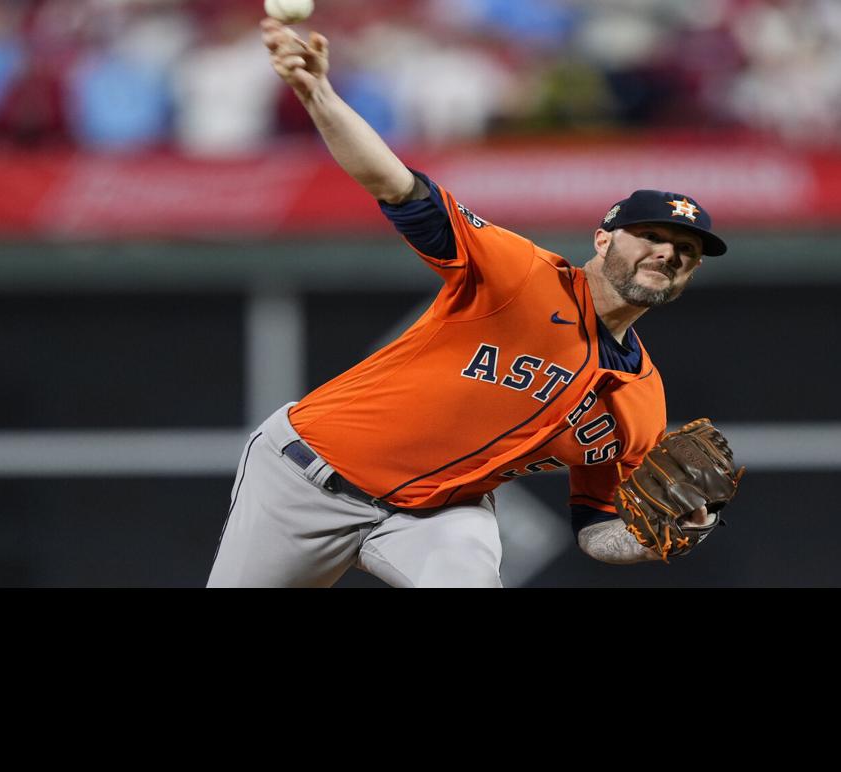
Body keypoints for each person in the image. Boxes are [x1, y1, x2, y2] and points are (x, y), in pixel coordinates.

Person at [208, 18, 727, 587]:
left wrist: (651, 540)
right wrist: (318, 94)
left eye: (685, 249)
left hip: (441, 515)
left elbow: (595, 526)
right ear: (603, 238)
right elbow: (396, 185)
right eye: (650, 236)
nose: (667, 252)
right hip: (304, 479)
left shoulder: (641, 404)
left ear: (692, 270)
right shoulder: (519, 274)